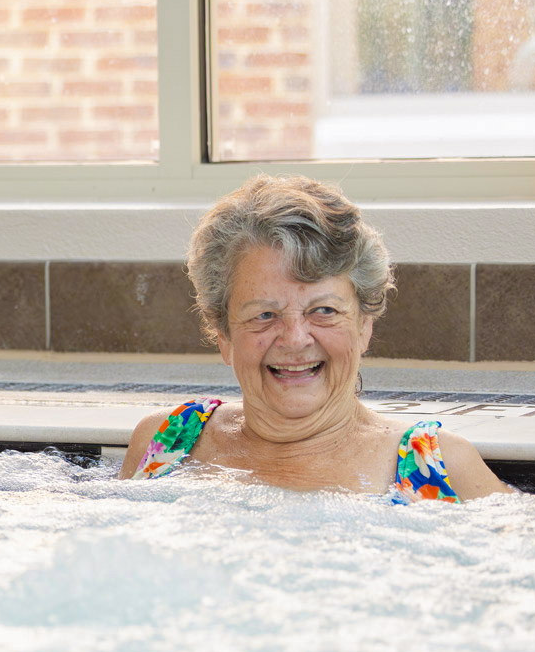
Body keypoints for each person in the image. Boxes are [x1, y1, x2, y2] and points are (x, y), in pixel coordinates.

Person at [121, 174, 511, 501]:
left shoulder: (438, 466)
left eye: (323, 311)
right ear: (223, 335)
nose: (294, 339)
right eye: (264, 314)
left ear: (364, 326)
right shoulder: (166, 442)